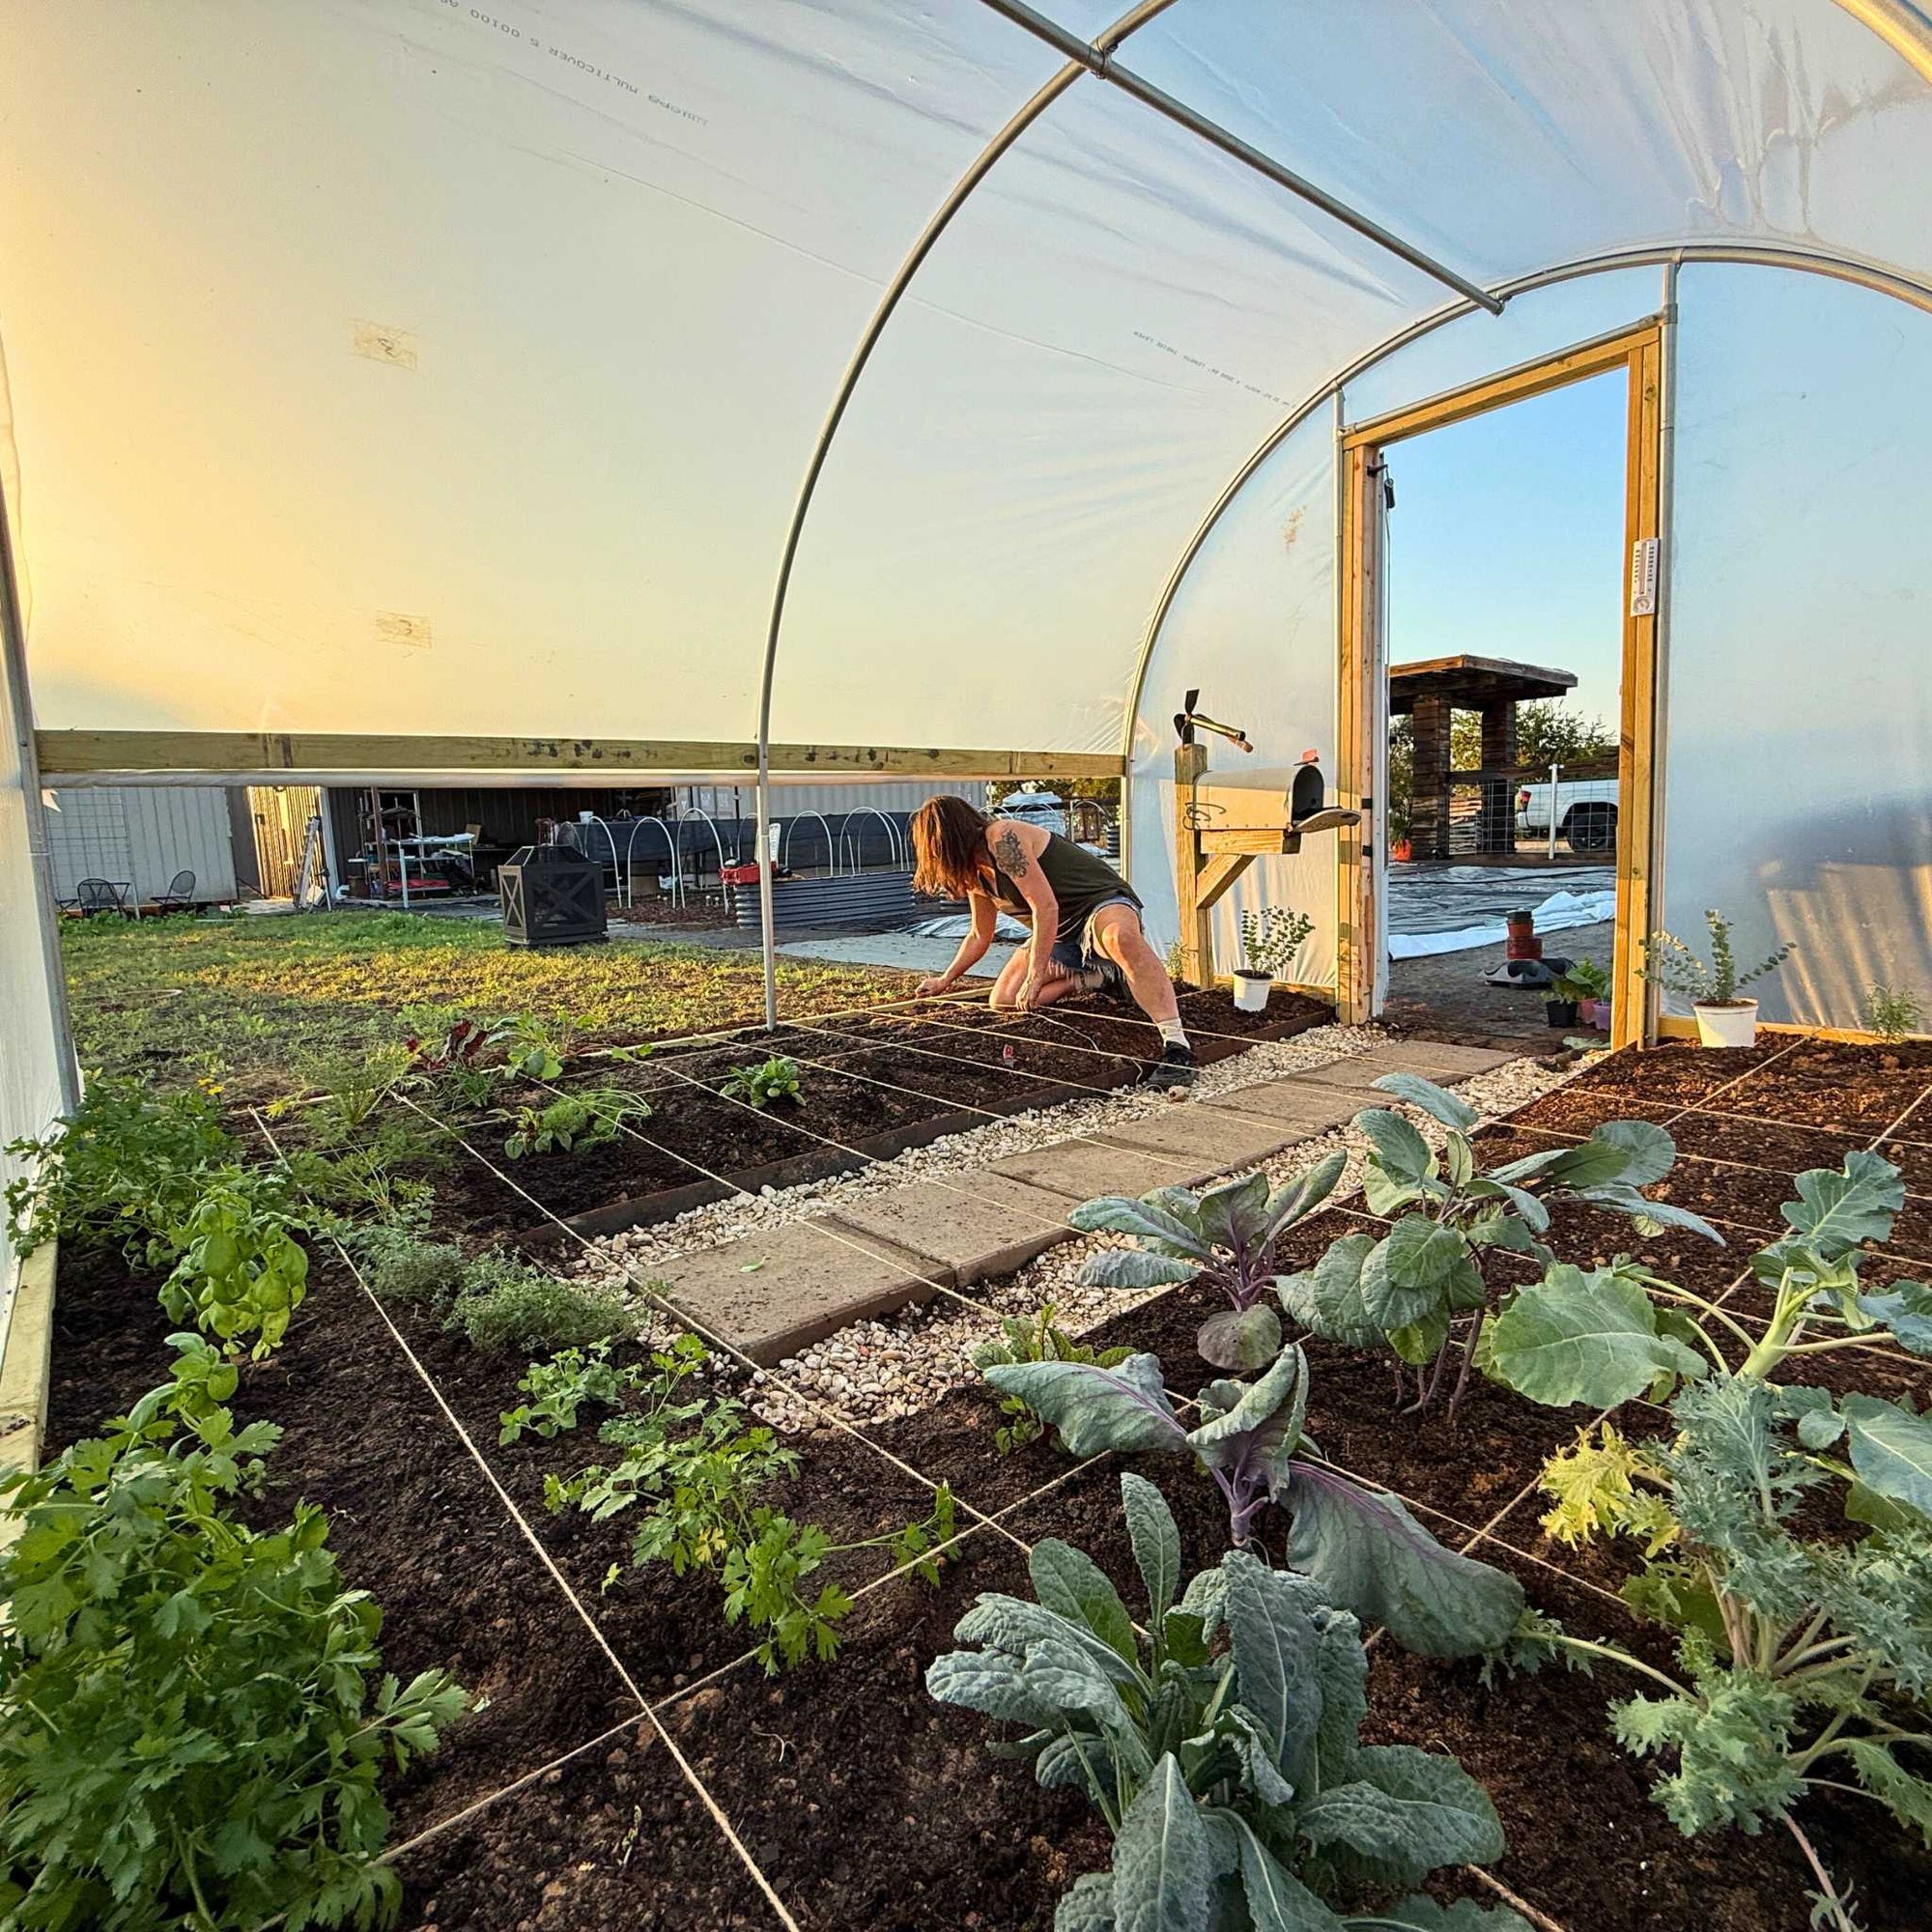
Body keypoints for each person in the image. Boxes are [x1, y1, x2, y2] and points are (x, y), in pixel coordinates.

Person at [907, 795, 1195, 1089]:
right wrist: (945, 980)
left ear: (947, 838)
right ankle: (1097, 979)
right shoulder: (975, 873)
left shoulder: (1004, 839)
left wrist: (1036, 974)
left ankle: (1176, 1045)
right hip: (1060, 932)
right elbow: (980, 935)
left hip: (1098, 905)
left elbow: (1045, 907)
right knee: (1004, 1001)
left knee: (1119, 938)